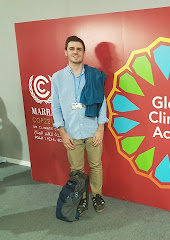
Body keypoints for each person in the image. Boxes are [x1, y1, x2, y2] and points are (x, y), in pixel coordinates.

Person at [51, 36, 108, 214]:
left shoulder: (94, 75)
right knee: (76, 170)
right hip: (71, 132)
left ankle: (96, 195)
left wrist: (101, 128)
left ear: (83, 52)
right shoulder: (58, 77)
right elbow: (55, 106)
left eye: (79, 49)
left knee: (96, 165)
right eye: (72, 49)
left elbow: (102, 103)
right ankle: (81, 198)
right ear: (66, 52)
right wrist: (62, 132)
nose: (75, 52)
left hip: (92, 130)